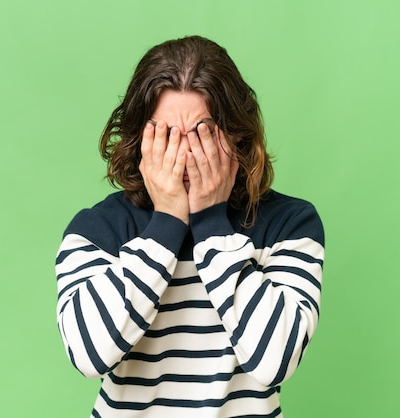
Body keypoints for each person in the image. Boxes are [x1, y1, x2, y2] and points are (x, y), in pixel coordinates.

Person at [55, 35, 325, 418]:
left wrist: (211, 224)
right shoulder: (97, 229)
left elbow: (275, 361)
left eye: (202, 134)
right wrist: (166, 223)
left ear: (236, 135)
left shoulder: (290, 225)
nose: (183, 156)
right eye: (165, 136)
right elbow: (88, 354)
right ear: (139, 141)